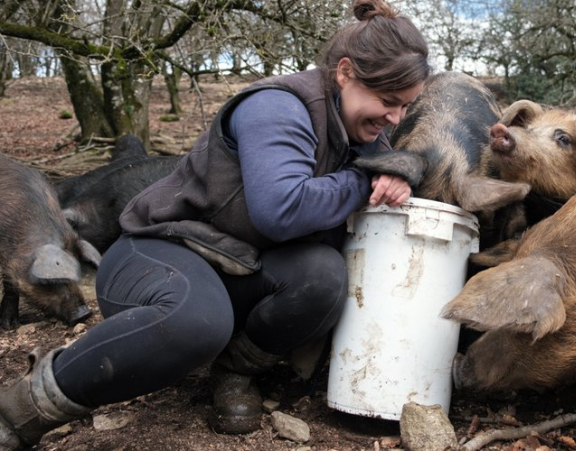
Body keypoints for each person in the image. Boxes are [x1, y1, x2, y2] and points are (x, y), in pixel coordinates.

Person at [0, 0, 430, 447]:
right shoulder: (278, 107)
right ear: (345, 73)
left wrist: (400, 167)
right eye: (388, 102)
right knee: (198, 322)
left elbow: (396, 160)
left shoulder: (360, 131)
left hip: (238, 267)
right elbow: (281, 209)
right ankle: (21, 411)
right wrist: (366, 182)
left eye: (405, 108)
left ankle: (233, 373)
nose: (395, 119)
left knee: (323, 278)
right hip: (156, 255)